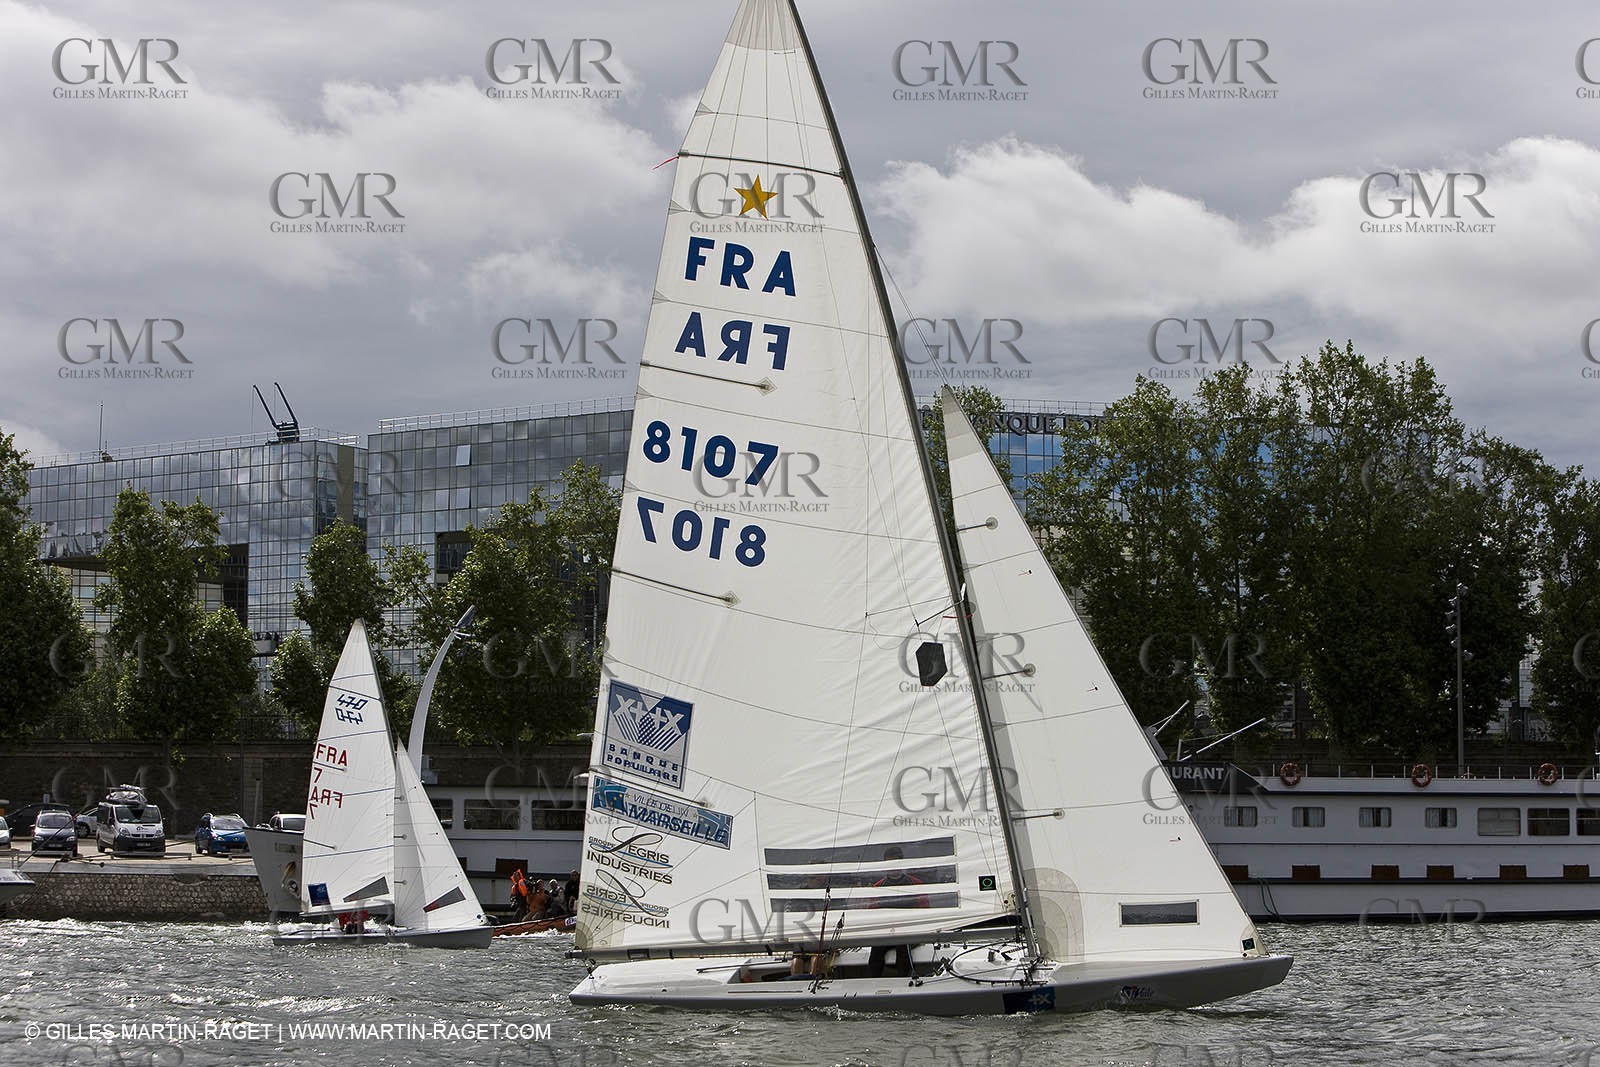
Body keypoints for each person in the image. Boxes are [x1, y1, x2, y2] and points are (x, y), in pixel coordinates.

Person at [867, 846, 926, 978]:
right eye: (889, 863)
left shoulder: (915, 884)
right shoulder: (878, 887)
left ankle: (903, 981)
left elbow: (924, 909)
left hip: (909, 932)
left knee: (903, 947)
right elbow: (872, 913)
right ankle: (873, 981)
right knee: (876, 950)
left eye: (895, 863)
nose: (892, 867)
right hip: (886, 933)